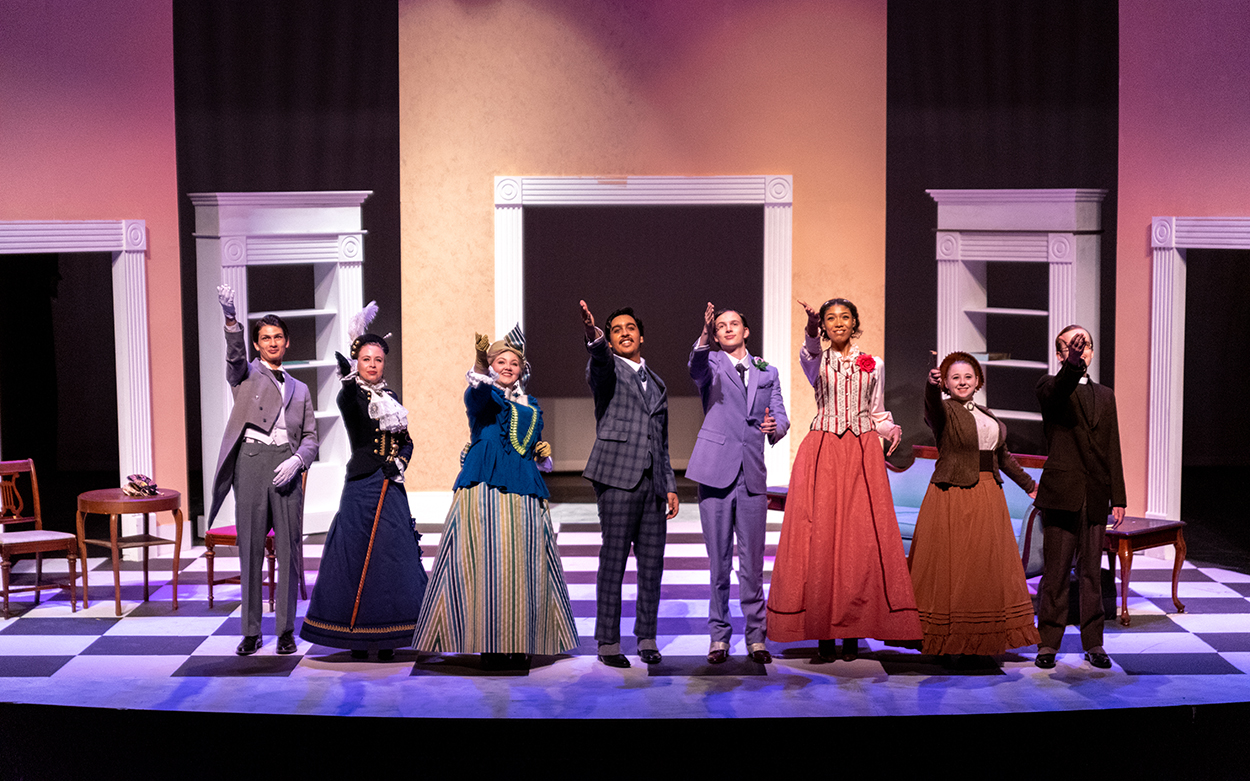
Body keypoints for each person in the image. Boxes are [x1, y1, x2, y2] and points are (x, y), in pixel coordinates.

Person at [412, 325, 578, 670]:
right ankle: (488, 643)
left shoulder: (530, 403)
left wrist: (541, 452)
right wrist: (478, 361)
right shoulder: (485, 395)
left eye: (513, 363)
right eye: (499, 361)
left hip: (524, 486)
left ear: (522, 369)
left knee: (523, 565)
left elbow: (528, 443)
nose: (507, 367)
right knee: (485, 565)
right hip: (485, 484)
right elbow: (475, 398)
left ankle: (522, 643)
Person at [766, 298, 920, 661]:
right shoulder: (815, 358)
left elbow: (876, 409)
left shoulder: (873, 362)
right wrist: (810, 327)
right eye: (830, 319)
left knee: (859, 540)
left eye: (844, 317)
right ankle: (824, 635)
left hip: (862, 451)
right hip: (823, 451)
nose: (838, 323)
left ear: (855, 322)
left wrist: (889, 427)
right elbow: (807, 350)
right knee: (822, 536)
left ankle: (853, 633)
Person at [298, 312, 428, 660]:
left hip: (391, 485)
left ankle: (386, 636)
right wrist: (349, 376)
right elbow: (350, 404)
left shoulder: (391, 396)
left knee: (390, 558)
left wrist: (399, 462)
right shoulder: (351, 395)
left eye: (378, 360)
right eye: (366, 359)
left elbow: (407, 440)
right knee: (355, 557)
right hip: (361, 486)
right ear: (357, 362)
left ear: (385, 364)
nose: (372, 364)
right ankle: (354, 637)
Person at [908, 351, 1041, 661]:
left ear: (978, 381)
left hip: (988, 493)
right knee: (957, 567)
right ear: (946, 384)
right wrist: (930, 385)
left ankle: (982, 640)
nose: (962, 382)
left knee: (982, 567)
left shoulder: (986, 414)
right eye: (955, 377)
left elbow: (1002, 457)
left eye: (968, 376)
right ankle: (952, 640)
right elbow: (930, 408)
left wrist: (1030, 486)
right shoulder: (943, 411)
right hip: (953, 493)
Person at [208, 284, 318, 656]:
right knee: (251, 550)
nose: (272, 343)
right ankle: (251, 632)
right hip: (252, 464)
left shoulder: (300, 388)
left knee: (289, 552)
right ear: (258, 344)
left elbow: (311, 438)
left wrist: (298, 460)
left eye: (278, 337)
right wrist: (231, 320)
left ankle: (286, 630)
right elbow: (234, 355)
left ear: (287, 343)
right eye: (266, 338)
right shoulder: (246, 375)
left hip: (286, 467)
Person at [579, 300, 679, 669]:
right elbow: (599, 363)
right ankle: (607, 640)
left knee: (652, 565)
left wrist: (668, 483)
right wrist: (593, 337)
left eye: (630, 328)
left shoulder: (658, 383)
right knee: (614, 561)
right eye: (616, 329)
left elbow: (661, 440)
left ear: (641, 336)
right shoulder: (607, 369)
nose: (624, 333)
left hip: (652, 484)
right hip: (617, 477)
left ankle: (647, 638)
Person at [687, 303, 788, 664]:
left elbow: (780, 415)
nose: (728, 329)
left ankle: (756, 637)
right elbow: (695, 366)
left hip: (752, 474)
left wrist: (775, 425)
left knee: (752, 562)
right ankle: (719, 637)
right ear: (715, 336)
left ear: (746, 331)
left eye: (734, 324)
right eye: (720, 326)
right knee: (719, 562)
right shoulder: (711, 364)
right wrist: (702, 334)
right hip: (715, 471)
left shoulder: (767, 371)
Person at [1034, 325, 1126, 670]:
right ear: (1060, 354)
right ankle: (1048, 643)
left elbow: (1112, 447)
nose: (1080, 351)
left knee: (1091, 571)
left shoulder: (1105, 395)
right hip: (1062, 492)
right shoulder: (1049, 386)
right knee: (1056, 572)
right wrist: (1071, 366)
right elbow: (1060, 389)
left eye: (1084, 345)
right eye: (1072, 347)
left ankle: (1095, 643)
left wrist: (1118, 494)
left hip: (1095, 493)